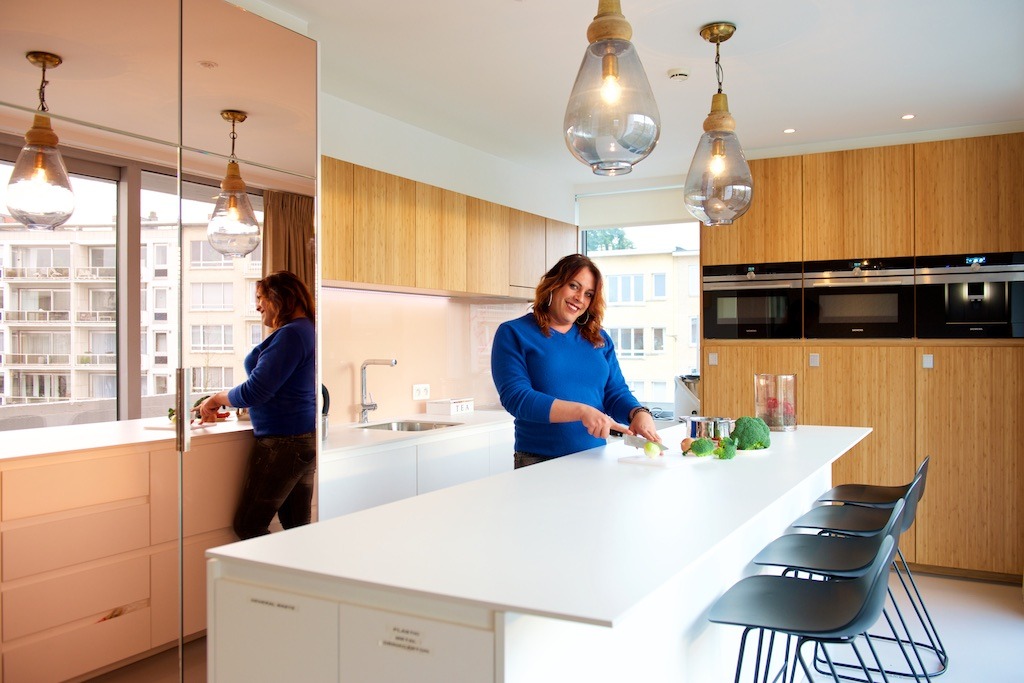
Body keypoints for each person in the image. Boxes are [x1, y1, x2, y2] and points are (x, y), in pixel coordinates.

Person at [491, 253, 660, 468]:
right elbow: (517, 398)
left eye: (588, 294)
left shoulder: (599, 339)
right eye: (574, 286)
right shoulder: (514, 333)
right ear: (554, 284)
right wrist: (581, 411)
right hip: (539, 461)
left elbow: (614, 392)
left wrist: (638, 413)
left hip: (596, 457)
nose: (580, 298)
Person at [197, 270, 317, 539]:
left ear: (280, 297)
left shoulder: (292, 335)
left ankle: (277, 578)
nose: (257, 304)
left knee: (249, 525)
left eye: (261, 297)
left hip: (284, 442)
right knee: (297, 529)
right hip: (303, 437)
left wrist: (217, 398)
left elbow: (256, 391)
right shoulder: (307, 329)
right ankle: (297, 579)